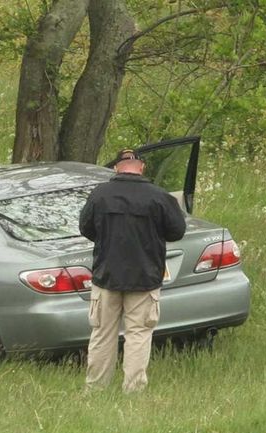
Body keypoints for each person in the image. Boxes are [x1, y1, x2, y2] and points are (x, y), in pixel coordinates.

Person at [79, 148, 186, 393]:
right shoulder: (159, 197)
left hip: (106, 277)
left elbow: (85, 228)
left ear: (116, 167)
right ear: (142, 167)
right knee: (138, 334)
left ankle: (95, 390)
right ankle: (133, 391)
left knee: (102, 334)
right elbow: (177, 232)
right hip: (145, 277)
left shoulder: (100, 195)